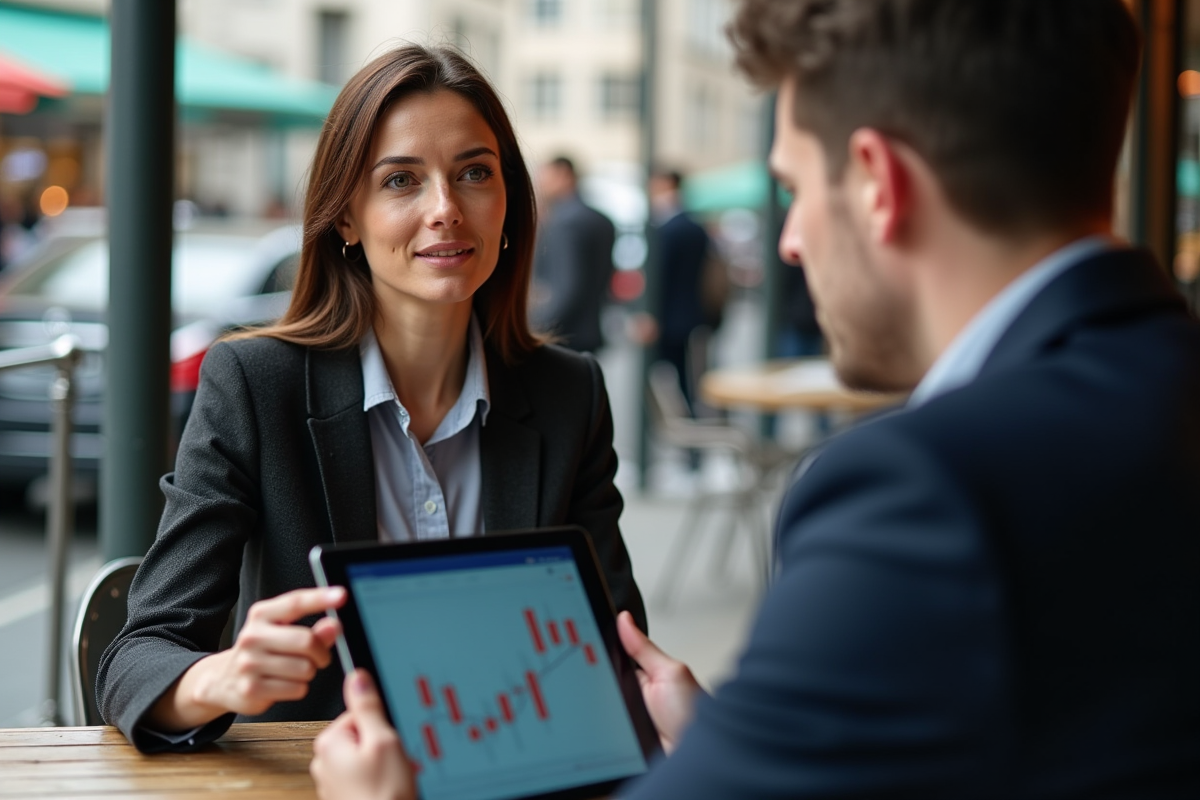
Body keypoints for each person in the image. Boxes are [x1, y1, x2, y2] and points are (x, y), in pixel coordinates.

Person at [307, 1, 1200, 797]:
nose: (790, 243)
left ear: (879, 183)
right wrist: (735, 746)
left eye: (794, 190)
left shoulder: (923, 495)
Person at [96, 44, 646, 754]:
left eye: (474, 172)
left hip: (510, 770)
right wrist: (221, 678)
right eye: (400, 180)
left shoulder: (568, 392)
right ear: (347, 219)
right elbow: (136, 658)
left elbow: (618, 649)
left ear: (508, 201)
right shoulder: (255, 385)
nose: (445, 209)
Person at [645, 168, 717, 413]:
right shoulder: (695, 227)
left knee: (668, 380)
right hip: (693, 314)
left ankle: (684, 425)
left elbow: (660, 277)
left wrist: (651, 315)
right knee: (688, 379)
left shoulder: (668, 229)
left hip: (669, 318)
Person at [529, 156, 616, 353]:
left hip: (563, 335)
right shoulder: (599, 219)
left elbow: (567, 286)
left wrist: (537, 329)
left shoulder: (565, 222)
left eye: (545, 177)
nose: (539, 184)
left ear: (564, 175)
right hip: (588, 329)